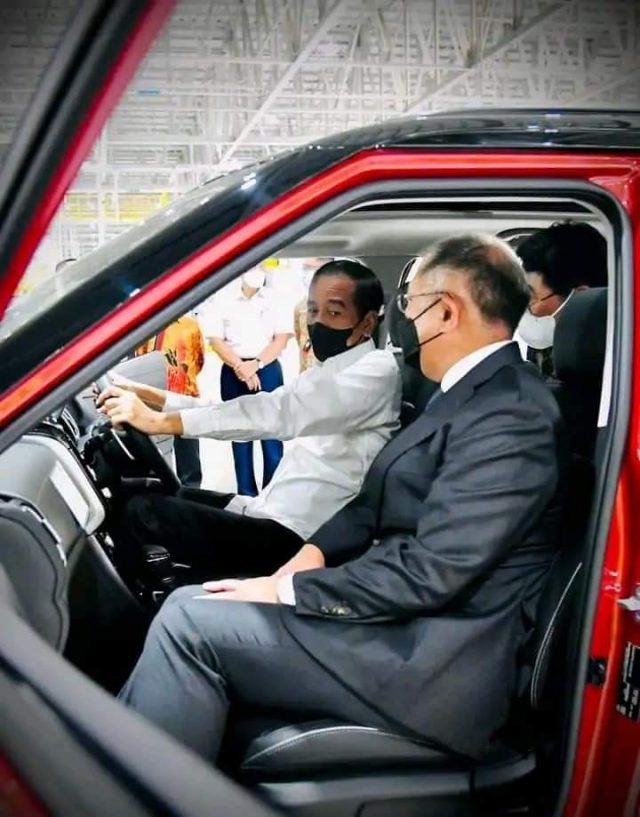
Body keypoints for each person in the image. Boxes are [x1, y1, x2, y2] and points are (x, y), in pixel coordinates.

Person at [117, 234, 566, 764]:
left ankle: (136, 791)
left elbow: (430, 571)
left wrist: (288, 591)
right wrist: (303, 561)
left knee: (188, 624)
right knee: (185, 603)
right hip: (402, 626)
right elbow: (369, 505)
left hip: (430, 662)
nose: (405, 321)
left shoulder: (511, 414)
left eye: (411, 305)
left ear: (446, 312)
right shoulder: (466, 395)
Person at [98, 259, 400, 579]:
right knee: (162, 493)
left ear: (367, 323)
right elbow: (238, 407)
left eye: (334, 313)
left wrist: (161, 424)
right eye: (313, 311)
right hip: (267, 510)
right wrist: (154, 398)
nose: (317, 322)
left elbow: (279, 412)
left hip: (301, 539)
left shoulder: (376, 372)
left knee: (144, 511)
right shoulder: (327, 371)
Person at [204, 263, 294, 496]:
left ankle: (272, 494)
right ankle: (246, 494)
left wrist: (255, 365)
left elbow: (281, 339)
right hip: (233, 370)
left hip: (267, 368)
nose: (257, 271)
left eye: (261, 267)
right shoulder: (222, 299)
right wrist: (240, 366)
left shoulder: (276, 299)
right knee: (240, 436)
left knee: (271, 435)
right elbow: (216, 341)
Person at [515, 221, 607, 377]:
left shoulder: (608, 368)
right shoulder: (543, 355)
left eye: (532, 298)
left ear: (580, 298)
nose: (524, 308)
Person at [135, 314, 205, 487]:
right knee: (186, 458)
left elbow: (198, 360)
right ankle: (190, 492)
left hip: (168, 398)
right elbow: (199, 361)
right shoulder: (188, 324)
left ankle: (179, 491)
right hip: (178, 396)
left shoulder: (149, 327)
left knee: (174, 455)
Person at [293, 258, 329, 372]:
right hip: (307, 370)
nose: (308, 273)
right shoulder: (300, 307)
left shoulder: (341, 308)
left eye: (314, 269)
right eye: (306, 269)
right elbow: (300, 340)